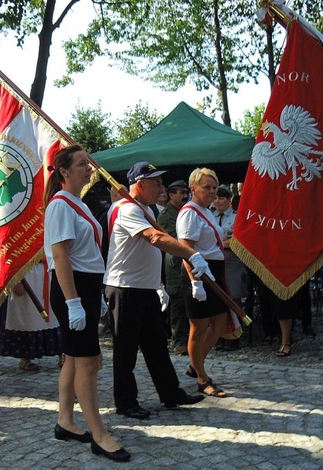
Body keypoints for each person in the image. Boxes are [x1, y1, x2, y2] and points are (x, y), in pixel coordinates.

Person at [44, 145, 129, 462]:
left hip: (85, 287)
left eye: (88, 163)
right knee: (89, 363)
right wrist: (74, 302)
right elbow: (61, 256)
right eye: (82, 164)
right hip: (73, 288)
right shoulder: (60, 206)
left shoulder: (74, 203)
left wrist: (93, 298)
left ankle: (65, 420)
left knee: (74, 358)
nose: (89, 168)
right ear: (64, 171)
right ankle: (100, 434)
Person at [105, 161, 208, 420]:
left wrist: (159, 285)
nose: (161, 187)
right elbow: (155, 238)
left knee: (156, 345)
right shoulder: (127, 209)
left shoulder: (144, 208)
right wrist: (191, 254)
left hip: (144, 287)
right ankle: (126, 402)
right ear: (140, 184)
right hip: (124, 288)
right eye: (156, 183)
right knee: (126, 349)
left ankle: (170, 393)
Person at [176, 168, 231, 396]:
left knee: (218, 324)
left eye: (213, 187)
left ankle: (194, 363)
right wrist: (195, 281)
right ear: (193, 189)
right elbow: (186, 249)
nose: (211, 191)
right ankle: (201, 377)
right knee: (198, 328)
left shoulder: (206, 211)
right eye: (206, 187)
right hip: (198, 272)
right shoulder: (189, 213)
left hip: (214, 270)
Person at [0, 261, 61, 371]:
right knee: (27, 317)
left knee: (55, 315)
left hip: (48, 271)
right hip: (25, 274)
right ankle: (25, 357)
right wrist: (15, 280)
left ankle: (63, 354)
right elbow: (9, 255)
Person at [212, 184, 248, 351]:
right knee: (217, 299)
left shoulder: (236, 217)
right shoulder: (210, 216)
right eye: (216, 198)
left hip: (232, 262)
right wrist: (224, 241)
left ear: (229, 200)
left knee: (234, 297)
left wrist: (219, 242)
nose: (218, 201)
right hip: (216, 262)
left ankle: (235, 336)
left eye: (221, 198)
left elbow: (237, 241)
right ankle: (219, 335)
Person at [157, 180, 190, 355]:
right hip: (175, 265)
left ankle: (192, 339)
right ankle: (179, 341)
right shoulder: (165, 215)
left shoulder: (186, 211)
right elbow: (171, 239)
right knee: (177, 303)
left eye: (186, 192)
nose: (185, 196)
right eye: (181, 192)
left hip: (189, 262)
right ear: (171, 195)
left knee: (190, 302)